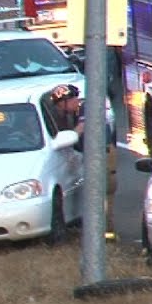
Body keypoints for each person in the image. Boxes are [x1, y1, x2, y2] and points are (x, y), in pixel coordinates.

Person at [40, 84, 119, 237]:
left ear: (69, 100)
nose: (58, 108)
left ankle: (106, 231)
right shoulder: (69, 113)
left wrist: (68, 138)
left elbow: (80, 128)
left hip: (102, 152)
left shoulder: (85, 107)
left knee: (103, 190)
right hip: (87, 154)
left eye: (60, 104)